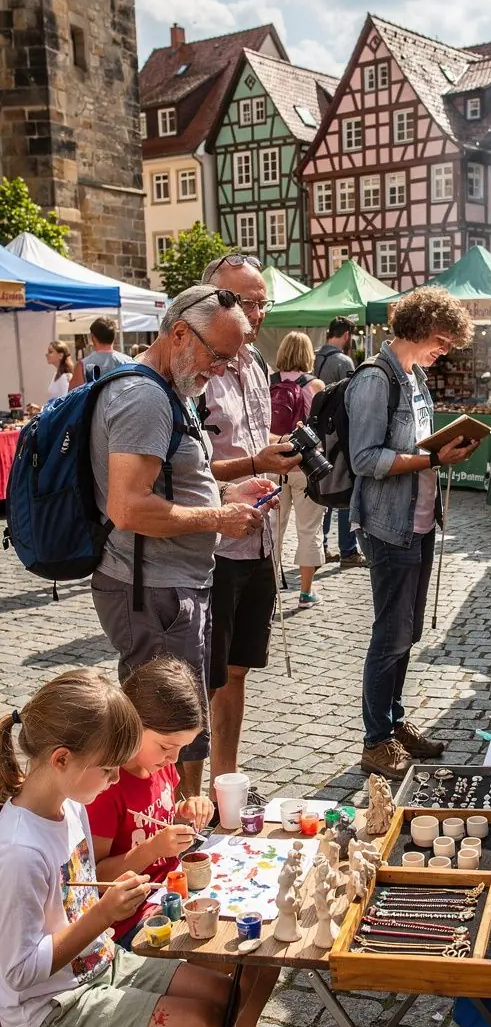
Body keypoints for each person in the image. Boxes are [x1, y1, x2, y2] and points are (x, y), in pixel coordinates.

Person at [0, 669, 272, 1027]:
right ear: (60, 760)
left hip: (96, 966)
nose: (111, 781)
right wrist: (102, 914)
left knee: (221, 995)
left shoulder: (69, 807)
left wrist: (107, 902)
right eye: (105, 769)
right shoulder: (19, 851)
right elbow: (19, 973)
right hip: (47, 1009)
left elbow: (78, 893)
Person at [89, 284, 276, 798]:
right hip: (152, 588)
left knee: (175, 715)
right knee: (161, 725)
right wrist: (220, 515)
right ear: (177, 334)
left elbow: (172, 482)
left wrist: (228, 490)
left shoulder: (169, 391)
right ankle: (160, 829)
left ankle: (171, 822)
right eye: (218, 356)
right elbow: (128, 507)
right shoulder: (144, 396)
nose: (220, 369)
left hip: (172, 583)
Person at [87, 656, 294, 1027]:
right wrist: (150, 850)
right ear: (130, 723)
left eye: (182, 746)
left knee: (274, 939)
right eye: (166, 746)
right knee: (251, 952)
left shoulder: (159, 766)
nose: (174, 758)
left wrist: (189, 810)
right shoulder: (105, 785)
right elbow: (97, 877)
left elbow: (164, 812)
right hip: (135, 919)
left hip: (178, 889)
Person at [346, 286, 479, 781]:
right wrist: (432, 458)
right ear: (419, 329)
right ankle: (375, 739)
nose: (444, 352)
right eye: (442, 341)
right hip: (389, 524)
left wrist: (441, 451)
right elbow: (365, 459)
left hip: (418, 521)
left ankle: (394, 720)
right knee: (390, 632)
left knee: (409, 630)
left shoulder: (415, 376)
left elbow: (418, 446)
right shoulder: (376, 380)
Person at [199, 255, 301, 787]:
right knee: (203, 676)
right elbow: (183, 470)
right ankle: (185, 798)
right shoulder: (198, 372)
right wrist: (254, 466)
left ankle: (227, 781)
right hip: (208, 547)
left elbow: (255, 448)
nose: (255, 312)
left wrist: (275, 458)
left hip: (258, 539)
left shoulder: (257, 364)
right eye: (243, 300)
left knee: (236, 670)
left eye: (261, 302)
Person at [270, 331, 326, 610]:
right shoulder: (314, 385)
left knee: (272, 530)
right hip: (305, 466)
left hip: (272, 461)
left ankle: (267, 593)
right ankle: (305, 593)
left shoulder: (269, 383)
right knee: (309, 529)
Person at [314, 317, 365, 569]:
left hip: (317, 433)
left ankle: (321, 546)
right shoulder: (344, 361)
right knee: (345, 487)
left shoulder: (314, 357)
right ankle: (348, 549)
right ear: (346, 336)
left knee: (324, 488)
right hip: (341, 434)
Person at [69, 316, 128, 389]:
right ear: (114, 337)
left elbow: (73, 396)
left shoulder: (82, 365)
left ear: (92, 337)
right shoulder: (129, 362)